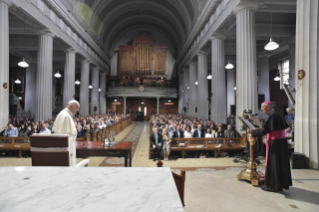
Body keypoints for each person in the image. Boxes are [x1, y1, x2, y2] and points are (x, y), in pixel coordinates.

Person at [247, 101, 292, 192]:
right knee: (279, 164)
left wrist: (252, 132)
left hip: (276, 144)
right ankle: (278, 184)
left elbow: (264, 131)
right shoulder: (276, 114)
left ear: (268, 107)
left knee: (275, 164)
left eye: (262, 107)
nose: (261, 109)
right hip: (280, 143)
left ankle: (275, 186)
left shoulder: (273, 116)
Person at [52, 100, 80, 166]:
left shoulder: (63, 113)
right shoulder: (66, 116)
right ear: (70, 106)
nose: (78, 110)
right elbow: (67, 136)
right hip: (67, 149)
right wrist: (70, 150)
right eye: (77, 107)